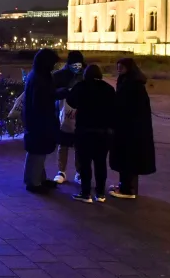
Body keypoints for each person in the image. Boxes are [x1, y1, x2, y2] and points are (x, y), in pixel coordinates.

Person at [66, 65, 116, 203]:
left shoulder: (81, 86)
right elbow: (114, 108)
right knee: (100, 163)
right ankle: (100, 193)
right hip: (103, 132)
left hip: (84, 130)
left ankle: (85, 192)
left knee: (85, 163)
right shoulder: (108, 88)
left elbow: (71, 101)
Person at [111, 58, 156, 199]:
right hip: (131, 127)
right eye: (118, 66)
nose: (119, 69)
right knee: (128, 158)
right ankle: (126, 185)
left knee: (127, 158)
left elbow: (123, 105)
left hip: (129, 129)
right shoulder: (129, 81)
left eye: (122, 67)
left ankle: (127, 189)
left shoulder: (131, 84)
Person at [22, 48, 62, 193]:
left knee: (38, 151)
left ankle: (38, 178)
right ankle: (33, 182)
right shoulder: (39, 78)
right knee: (37, 151)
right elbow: (41, 100)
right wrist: (57, 94)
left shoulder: (38, 75)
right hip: (39, 120)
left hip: (37, 119)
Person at [51, 51, 86, 184]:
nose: (77, 67)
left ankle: (79, 172)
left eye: (79, 64)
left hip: (81, 116)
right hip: (62, 115)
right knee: (63, 144)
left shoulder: (85, 75)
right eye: (74, 64)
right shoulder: (59, 75)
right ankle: (61, 171)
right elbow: (53, 93)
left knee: (79, 146)